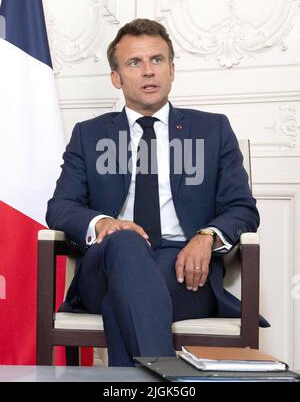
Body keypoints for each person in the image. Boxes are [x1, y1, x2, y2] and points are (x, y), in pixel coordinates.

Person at [46, 18, 267, 367]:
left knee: (122, 302)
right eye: (135, 63)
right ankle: (165, 384)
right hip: (103, 266)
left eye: (157, 60)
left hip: (184, 273)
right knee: (123, 240)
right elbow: (60, 207)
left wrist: (207, 236)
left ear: (173, 69)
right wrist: (104, 223)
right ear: (116, 78)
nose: (149, 71)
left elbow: (242, 208)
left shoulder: (213, 130)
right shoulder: (89, 135)